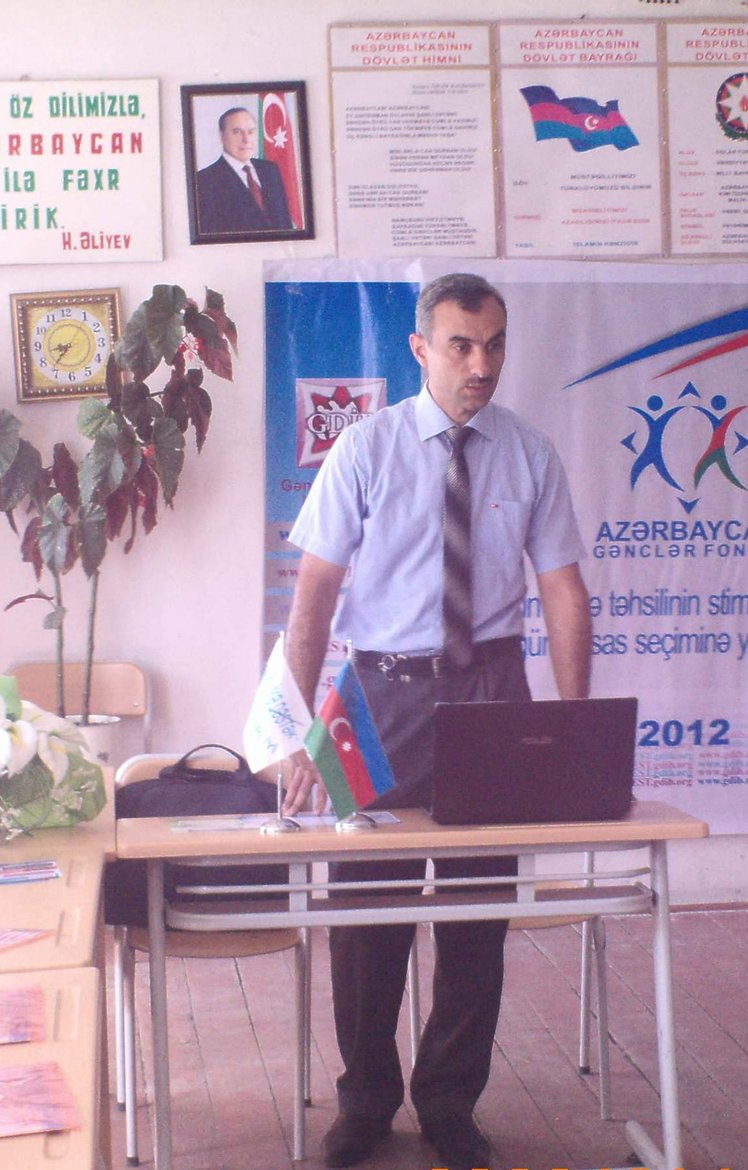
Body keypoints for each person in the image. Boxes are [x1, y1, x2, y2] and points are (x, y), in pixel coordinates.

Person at [282, 272, 592, 1168]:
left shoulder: (529, 453)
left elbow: (564, 593)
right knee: (363, 917)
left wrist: (574, 727)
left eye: (494, 345)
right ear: (421, 349)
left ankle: (451, 1103)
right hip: (372, 699)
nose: (480, 364)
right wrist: (301, 728)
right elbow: (314, 598)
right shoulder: (366, 448)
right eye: (461, 345)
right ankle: (365, 1103)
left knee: (476, 914)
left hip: (490, 694)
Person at [193, 106, 294, 235]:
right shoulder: (205, 181)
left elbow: (284, 222)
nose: (246, 140)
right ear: (221, 136)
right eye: (237, 132)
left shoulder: (270, 170)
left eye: (251, 132)